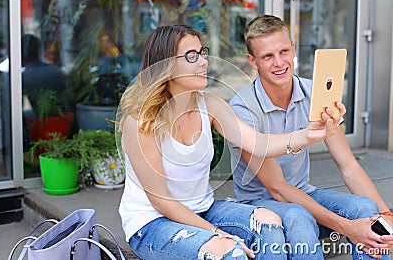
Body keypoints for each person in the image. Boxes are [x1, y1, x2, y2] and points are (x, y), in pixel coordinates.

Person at [118, 24, 343, 259]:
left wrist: (308, 134)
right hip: (153, 224)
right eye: (191, 57)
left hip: (203, 209)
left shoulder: (210, 105)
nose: (204, 62)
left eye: (202, 53)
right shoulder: (140, 121)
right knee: (229, 252)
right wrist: (217, 233)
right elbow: (162, 202)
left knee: (269, 222)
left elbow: (258, 143)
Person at [228, 14, 393, 260]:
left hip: (305, 191)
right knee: (298, 216)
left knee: (365, 209)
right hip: (260, 202)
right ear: (252, 61)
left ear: (293, 48)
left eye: (284, 51)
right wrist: (347, 228)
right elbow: (277, 189)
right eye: (267, 56)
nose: (279, 62)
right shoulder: (241, 109)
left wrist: (385, 213)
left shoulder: (314, 93)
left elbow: (348, 165)